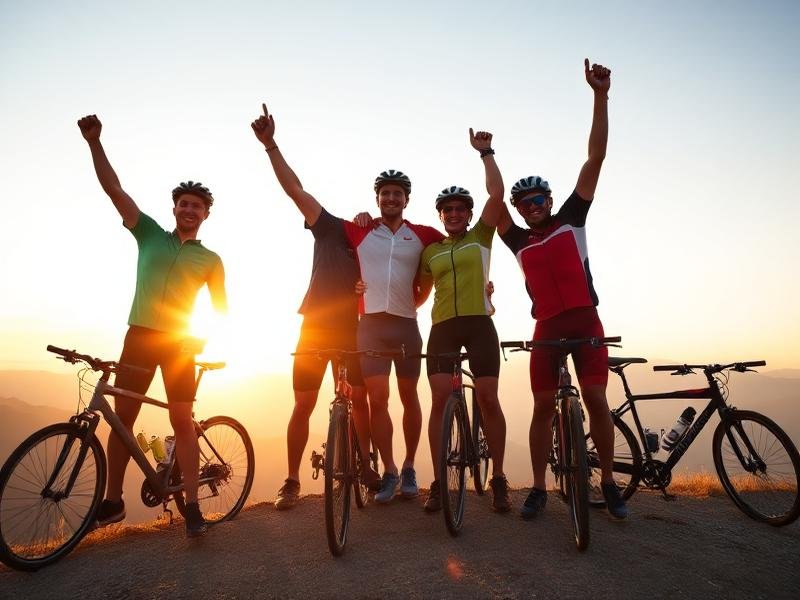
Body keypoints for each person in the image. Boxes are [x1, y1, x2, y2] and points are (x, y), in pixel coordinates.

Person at [77, 114, 228, 537]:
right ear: (174, 208)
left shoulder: (210, 260)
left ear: (205, 215)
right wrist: (95, 143)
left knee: (182, 421)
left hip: (180, 344)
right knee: (122, 421)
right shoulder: (148, 234)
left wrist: (198, 340)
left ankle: (194, 508)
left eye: (196, 205)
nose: (188, 209)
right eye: (183, 203)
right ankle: (112, 503)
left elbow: (221, 311)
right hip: (139, 337)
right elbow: (113, 189)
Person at [496, 59, 628, 519]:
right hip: (547, 329)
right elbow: (493, 204)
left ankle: (608, 481)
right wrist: (487, 156)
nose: (532, 206)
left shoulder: (572, 217)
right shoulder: (516, 239)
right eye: (523, 202)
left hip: (586, 320)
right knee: (541, 408)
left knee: (594, 398)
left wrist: (599, 95)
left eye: (538, 200)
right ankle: (536, 487)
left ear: (550, 201)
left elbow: (596, 157)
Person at [250, 104, 379, 509]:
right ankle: (291, 480)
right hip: (315, 327)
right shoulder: (329, 227)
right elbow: (295, 189)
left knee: (360, 399)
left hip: (354, 331)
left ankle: (366, 463)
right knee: (303, 404)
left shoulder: (375, 244)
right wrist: (271, 146)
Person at [418, 129, 511, 513]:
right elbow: (416, 294)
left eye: (460, 209)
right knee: (439, 400)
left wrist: (486, 152)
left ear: (469, 215)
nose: (454, 214)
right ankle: (440, 481)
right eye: (447, 210)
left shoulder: (481, 236)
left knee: (488, 398)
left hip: (478, 324)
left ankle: (500, 478)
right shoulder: (432, 251)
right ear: (440, 216)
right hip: (442, 328)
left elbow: (496, 195)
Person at [345, 173, 444, 504]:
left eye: (397, 193)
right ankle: (389, 470)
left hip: (406, 326)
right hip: (370, 324)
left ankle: (410, 467)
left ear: (406, 199)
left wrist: (421, 296)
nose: (391, 198)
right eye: (385, 193)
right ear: (377, 199)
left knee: (408, 394)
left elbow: (454, 253)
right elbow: (328, 243)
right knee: (378, 397)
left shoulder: (423, 234)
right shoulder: (362, 229)